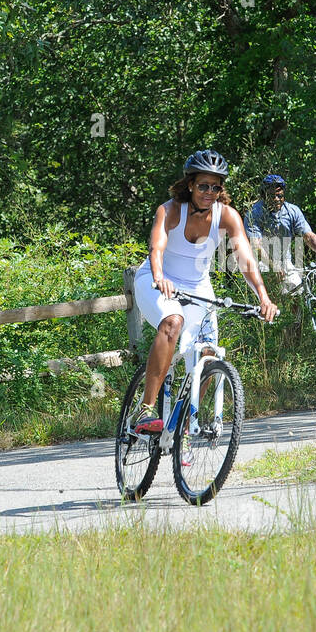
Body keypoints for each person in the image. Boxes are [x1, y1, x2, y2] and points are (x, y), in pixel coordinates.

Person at [129, 150, 279, 434]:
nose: (209, 192)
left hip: (198, 288)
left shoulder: (228, 216)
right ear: (190, 184)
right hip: (157, 279)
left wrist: (263, 296)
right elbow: (156, 248)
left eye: (215, 187)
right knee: (172, 322)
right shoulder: (171, 210)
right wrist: (160, 277)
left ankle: (184, 423)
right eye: (203, 186)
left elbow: (246, 259)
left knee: (208, 353)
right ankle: (146, 410)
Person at [245, 174, 316, 295]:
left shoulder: (292, 211)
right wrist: (273, 265)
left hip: (285, 261)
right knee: (274, 300)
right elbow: (256, 245)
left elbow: (309, 236)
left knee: (298, 294)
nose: (277, 199)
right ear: (264, 195)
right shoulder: (254, 213)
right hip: (262, 263)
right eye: (272, 196)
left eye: (280, 196)